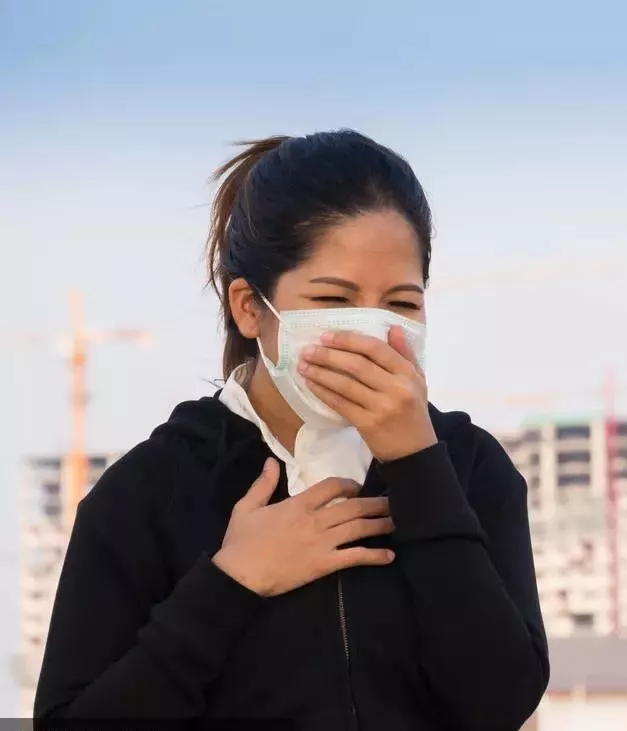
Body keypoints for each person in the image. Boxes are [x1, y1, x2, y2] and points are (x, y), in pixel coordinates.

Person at [33, 130, 550, 730]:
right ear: (250, 307)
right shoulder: (150, 490)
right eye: (334, 299)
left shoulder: (469, 467)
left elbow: (500, 703)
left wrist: (416, 467)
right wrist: (232, 583)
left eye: (401, 304)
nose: (368, 333)